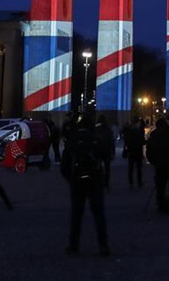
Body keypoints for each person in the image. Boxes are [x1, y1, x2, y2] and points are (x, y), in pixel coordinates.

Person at [61, 109, 110, 256]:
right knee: (99, 215)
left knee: (76, 215)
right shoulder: (96, 139)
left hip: (77, 182)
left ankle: (73, 245)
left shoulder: (73, 139)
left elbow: (64, 166)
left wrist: (71, 178)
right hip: (95, 181)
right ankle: (103, 246)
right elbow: (107, 157)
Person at [121, 116, 145, 188]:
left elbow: (126, 141)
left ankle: (131, 182)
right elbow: (142, 141)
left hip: (131, 151)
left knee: (131, 168)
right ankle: (139, 182)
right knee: (138, 168)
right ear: (137, 123)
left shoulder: (129, 131)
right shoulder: (138, 131)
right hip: (138, 151)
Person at [95, 115, 115, 190]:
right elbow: (111, 141)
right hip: (106, 150)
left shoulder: (96, 128)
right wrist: (113, 152)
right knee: (107, 168)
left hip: (98, 151)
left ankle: (99, 182)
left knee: (98, 167)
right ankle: (106, 183)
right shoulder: (108, 129)